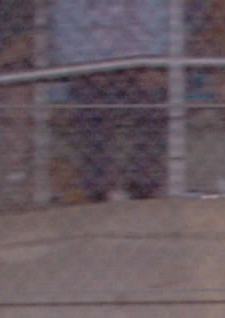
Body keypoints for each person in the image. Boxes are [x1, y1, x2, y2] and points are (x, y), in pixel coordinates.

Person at [52, 0, 173, 200]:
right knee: (90, 101)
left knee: (153, 96)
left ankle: (143, 184)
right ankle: (98, 188)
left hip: (139, 68)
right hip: (91, 71)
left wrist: (149, 64)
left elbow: (159, 33)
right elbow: (68, 44)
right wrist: (93, 69)